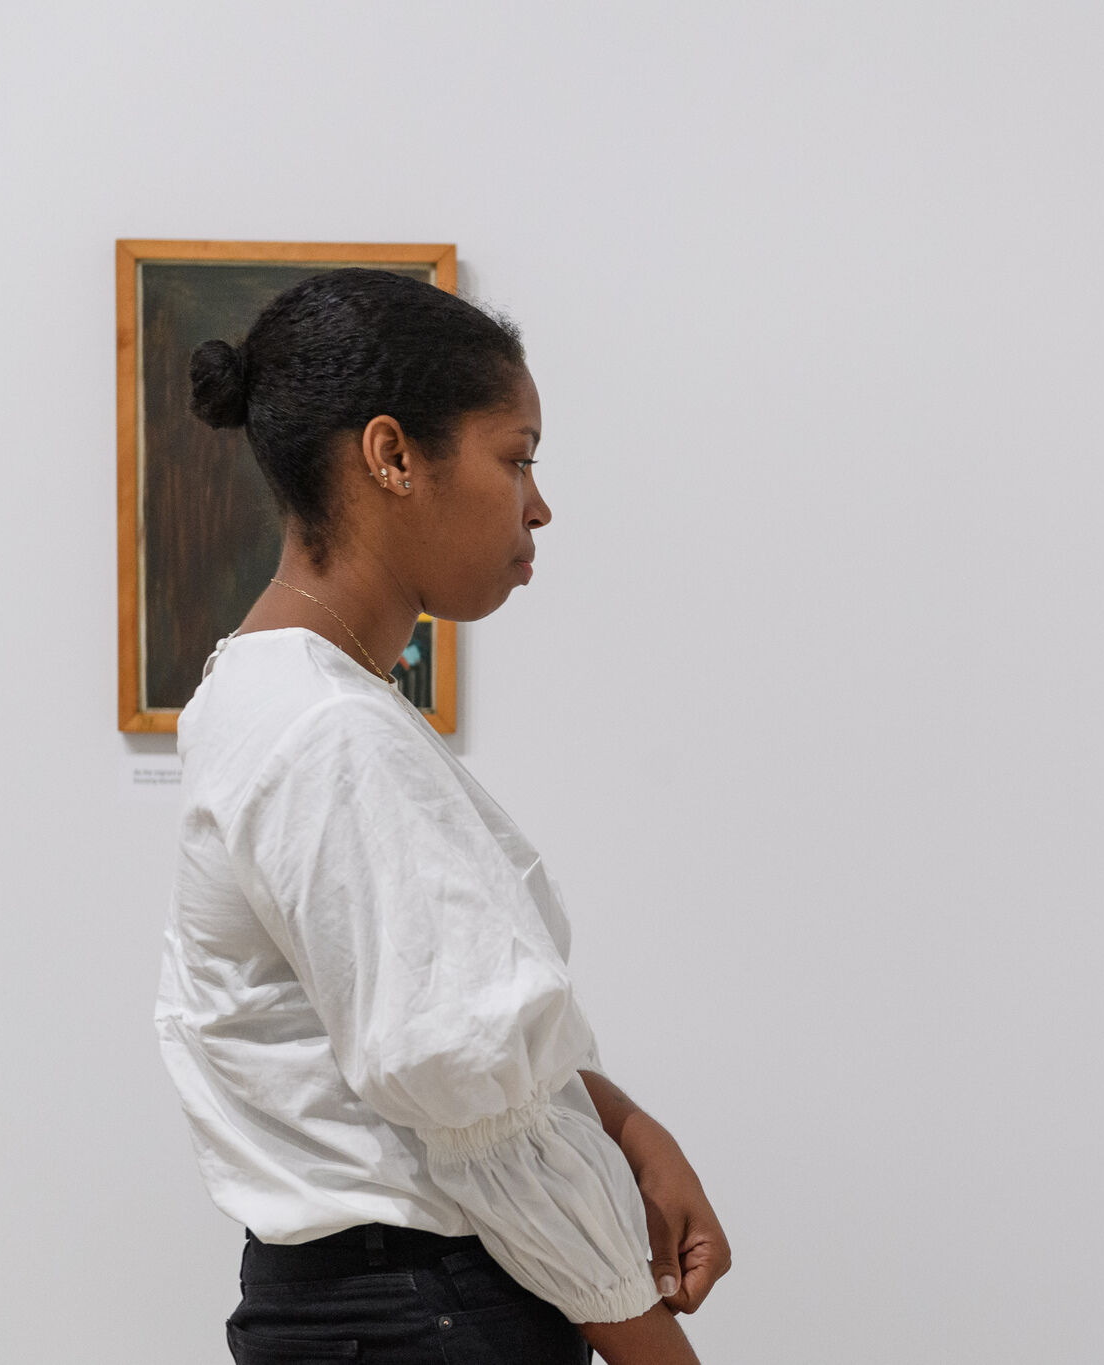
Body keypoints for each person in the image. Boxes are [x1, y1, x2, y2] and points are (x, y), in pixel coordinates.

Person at [152, 269, 727, 1365]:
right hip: (428, 1309)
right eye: (516, 457)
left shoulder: (259, 690)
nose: (538, 504)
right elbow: (473, 1116)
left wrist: (623, 1126)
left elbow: (427, 1044)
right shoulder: (332, 733)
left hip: (370, 1305)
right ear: (392, 456)